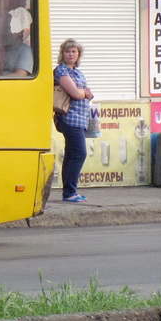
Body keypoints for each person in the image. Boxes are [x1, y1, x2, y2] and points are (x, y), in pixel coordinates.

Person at [54, 38, 94, 203]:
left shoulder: (77, 71)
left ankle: (69, 192)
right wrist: (84, 92)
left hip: (79, 119)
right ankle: (70, 192)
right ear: (62, 54)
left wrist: (85, 92)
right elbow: (77, 93)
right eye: (67, 51)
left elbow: (86, 91)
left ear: (78, 55)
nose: (70, 54)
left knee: (71, 154)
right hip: (69, 118)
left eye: (74, 52)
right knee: (79, 153)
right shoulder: (62, 71)